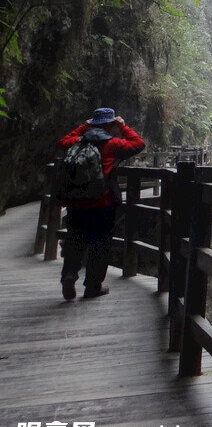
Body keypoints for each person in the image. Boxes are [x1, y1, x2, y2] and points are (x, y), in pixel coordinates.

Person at [58, 108, 145, 300]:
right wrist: (123, 127)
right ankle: (93, 286)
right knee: (100, 244)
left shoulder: (78, 142)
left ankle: (69, 275)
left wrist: (84, 126)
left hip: (76, 202)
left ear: (93, 123)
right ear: (110, 124)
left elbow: (63, 142)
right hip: (103, 203)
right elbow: (138, 144)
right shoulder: (113, 144)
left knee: (75, 240)